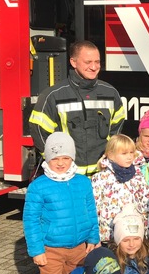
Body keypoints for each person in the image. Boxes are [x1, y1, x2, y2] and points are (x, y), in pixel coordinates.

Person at [23, 132, 100, 274]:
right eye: (55, 158)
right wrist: (37, 251)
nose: (60, 163)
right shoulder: (38, 186)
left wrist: (93, 237)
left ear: (72, 158)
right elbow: (31, 220)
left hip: (79, 249)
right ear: (47, 158)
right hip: (51, 251)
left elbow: (90, 211)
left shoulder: (83, 182)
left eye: (66, 157)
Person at [30, 40, 126, 176]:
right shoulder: (53, 96)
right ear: (73, 62)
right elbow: (39, 133)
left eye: (97, 62)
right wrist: (58, 162)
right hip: (67, 177)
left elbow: (116, 131)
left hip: (103, 175)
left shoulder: (110, 93)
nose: (94, 67)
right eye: (88, 62)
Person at [92, 134, 149, 244]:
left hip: (135, 234)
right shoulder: (100, 178)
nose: (129, 157)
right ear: (111, 155)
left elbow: (147, 204)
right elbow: (95, 207)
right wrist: (95, 237)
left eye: (132, 152)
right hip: (109, 235)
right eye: (124, 153)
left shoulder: (138, 176)